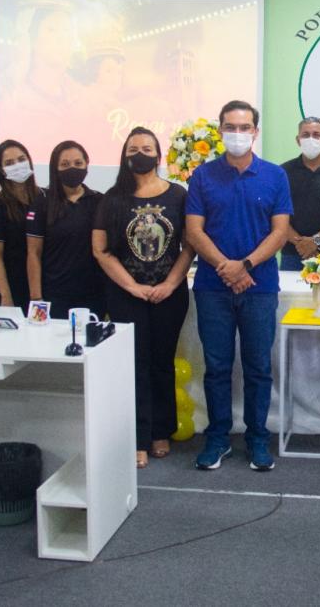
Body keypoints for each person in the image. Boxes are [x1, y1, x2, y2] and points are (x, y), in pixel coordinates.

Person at [186, 100, 292, 471]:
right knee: (216, 366)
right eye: (230, 127)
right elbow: (194, 230)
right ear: (220, 131)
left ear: (255, 132)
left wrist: (245, 265)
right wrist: (224, 267)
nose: (237, 134)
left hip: (259, 286)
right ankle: (217, 438)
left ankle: (257, 439)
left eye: (244, 127)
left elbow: (280, 232)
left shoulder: (275, 176)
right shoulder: (202, 175)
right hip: (213, 287)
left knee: (259, 366)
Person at [93, 127, 194, 469]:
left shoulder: (178, 195)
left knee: (161, 362)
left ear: (158, 154)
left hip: (170, 293)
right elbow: (101, 251)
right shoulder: (112, 198)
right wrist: (132, 287)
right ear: (124, 155)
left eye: (147, 147)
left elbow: (190, 245)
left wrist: (170, 282)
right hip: (125, 295)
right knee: (133, 366)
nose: (140, 153)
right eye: (134, 148)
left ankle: (160, 431)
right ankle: (137, 435)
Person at [26, 140, 104, 319]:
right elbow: (33, 253)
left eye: (78, 163)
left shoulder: (100, 201)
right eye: (65, 164)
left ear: (87, 165)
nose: (72, 168)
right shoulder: (42, 203)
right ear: (55, 168)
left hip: (93, 295)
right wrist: (36, 298)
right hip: (54, 296)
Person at [280, 117, 320, 270]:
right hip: (292, 253)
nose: (311, 139)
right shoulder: (283, 172)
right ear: (298, 140)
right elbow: (278, 215)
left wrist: (314, 241)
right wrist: (302, 244)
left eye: (316, 135)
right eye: (305, 135)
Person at [0, 139, 42, 314]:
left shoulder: (44, 197)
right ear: (1, 170)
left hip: (42, 285)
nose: (17, 165)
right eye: (9, 163)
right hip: (12, 285)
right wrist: (6, 296)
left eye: (21, 159)